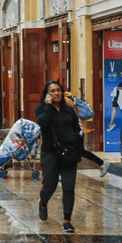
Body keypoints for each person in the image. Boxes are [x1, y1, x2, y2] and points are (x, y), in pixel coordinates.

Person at [35, 81, 81, 233]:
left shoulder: (69, 110)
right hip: (50, 153)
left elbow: (76, 128)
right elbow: (43, 122)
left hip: (68, 152)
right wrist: (48, 105)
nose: (56, 93)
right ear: (47, 94)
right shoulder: (41, 109)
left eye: (58, 90)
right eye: (52, 91)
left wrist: (74, 141)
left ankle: (67, 221)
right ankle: (43, 202)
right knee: (50, 185)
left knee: (69, 186)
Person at [63, 92, 110, 177]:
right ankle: (102, 163)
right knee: (79, 151)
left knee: (67, 150)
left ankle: (61, 173)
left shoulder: (65, 100)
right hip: (72, 130)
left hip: (75, 130)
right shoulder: (64, 99)